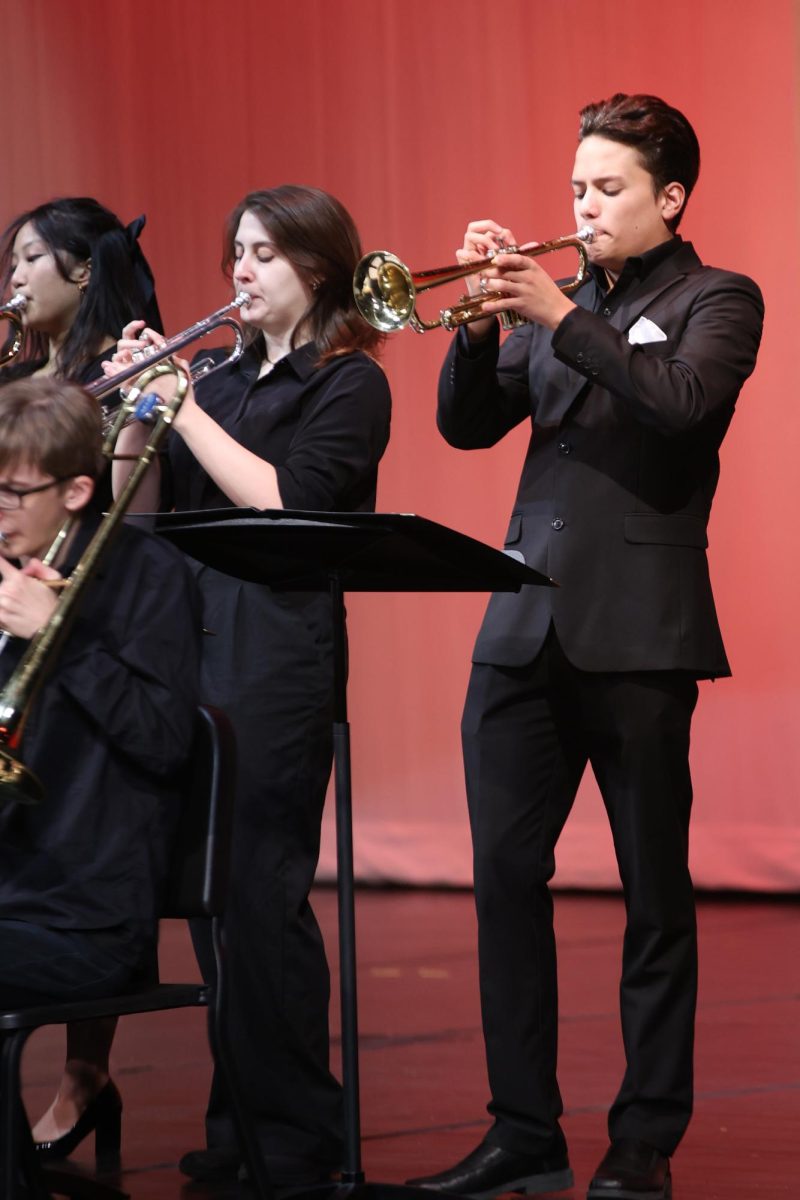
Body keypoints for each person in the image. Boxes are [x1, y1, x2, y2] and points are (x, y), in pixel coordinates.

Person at [406, 95, 764, 1200]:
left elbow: (680, 405)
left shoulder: (718, 298)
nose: (581, 207)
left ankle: (642, 1145)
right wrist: (477, 327)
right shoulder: (558, 311)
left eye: (605, 189)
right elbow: (466, 427)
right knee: (503, 884)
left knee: (654, 897)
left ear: (668, 198)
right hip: (519, 634)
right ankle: (523, 1129)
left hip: (639, 637)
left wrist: (558, 314)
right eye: (574, 188)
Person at [59, 184, 392, 1187]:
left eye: (264, 255)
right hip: (185, 641)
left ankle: (293, 1134)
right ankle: (240, 1122)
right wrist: (131, 411)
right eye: (235, 253)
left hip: (276, 649)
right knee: (208, 905)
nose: (240, 272)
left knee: (257, 894)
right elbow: (132, 507)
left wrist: (184, 409)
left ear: (318, 268)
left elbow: (288, 502)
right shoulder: (215, 375)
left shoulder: (346, 384)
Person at [0, 377, 201, 1158]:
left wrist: (60, 632)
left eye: (15, 494)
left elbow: (162, 739)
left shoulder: (149, 578)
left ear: (79, 489)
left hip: (85, 911)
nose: (2, 511)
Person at [0, 197, 162, 510]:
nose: (16, 278)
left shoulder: (125, 370)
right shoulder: (12, 379)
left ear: (84, 271)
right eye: (14, 265)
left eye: (32, 258)